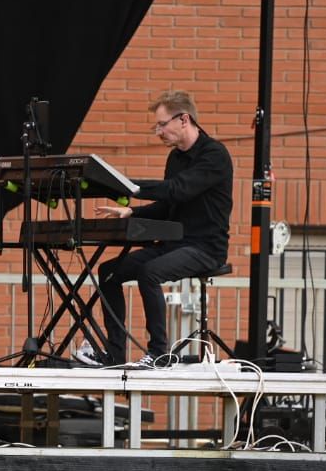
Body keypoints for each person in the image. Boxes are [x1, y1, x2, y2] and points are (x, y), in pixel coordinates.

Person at [86, 89, 233, 367]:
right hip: (175, 243)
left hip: (206, 247)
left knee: (149, 273)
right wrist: (132, 211)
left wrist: (131, 187)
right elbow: (167, 204)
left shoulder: (214, 155)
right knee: (108, 273)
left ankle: (158, 353)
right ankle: (114, 354)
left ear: (184, 119)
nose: (159, 132)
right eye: (157, 126)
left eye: (162, 124)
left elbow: (178, 190)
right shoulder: (175, 158)